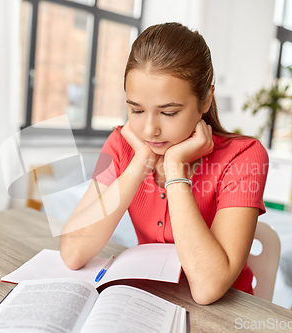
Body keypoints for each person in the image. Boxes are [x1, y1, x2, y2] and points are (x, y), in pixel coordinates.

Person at [60, 22, 269, 305]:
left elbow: (208, 288)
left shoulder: (244, 157)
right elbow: (73, 253)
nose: (148, 130)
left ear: (206, 98)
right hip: (150, 300)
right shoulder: (122, 145)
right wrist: (140, 162)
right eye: (135, 109)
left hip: (222, 314)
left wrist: (174, 167)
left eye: (168, 112)